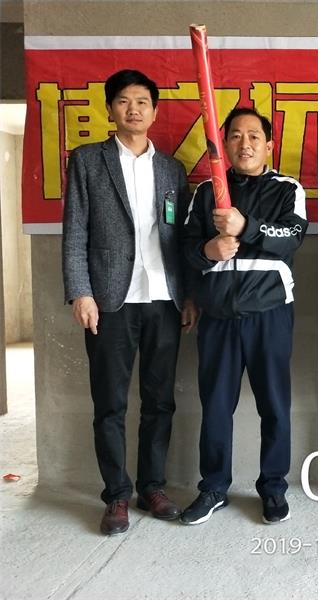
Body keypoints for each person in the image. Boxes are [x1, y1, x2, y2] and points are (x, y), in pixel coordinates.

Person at [62, 69, 197, 535]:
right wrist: (81, 291)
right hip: (109, 300)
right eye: (123, 101)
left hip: (163, 298)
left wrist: (187, 295)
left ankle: (152, 488)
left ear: (155, 111)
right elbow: (75, 230)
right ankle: (117, 495)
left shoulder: (172, 169)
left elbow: (181, 237)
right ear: (110, 109)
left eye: (142, 102)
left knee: (160, 401)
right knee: (110, 403)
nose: (133, 109)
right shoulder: (87, 160)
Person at [180, 107, 307, 526]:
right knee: (216, 406)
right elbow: (184, 248)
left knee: (275, 405)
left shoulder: (287, 189)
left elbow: (292, 237)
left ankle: (273, 487)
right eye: (235, 135)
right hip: (217, 316)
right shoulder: (205, 193)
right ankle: (214, 487)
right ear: (223, 145)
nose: (245, 144)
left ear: (269, 145)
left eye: (254, 136)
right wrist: (207, 251)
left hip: (269, 313)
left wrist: (244, 225)